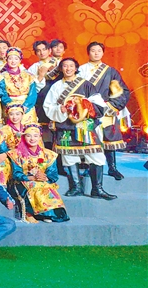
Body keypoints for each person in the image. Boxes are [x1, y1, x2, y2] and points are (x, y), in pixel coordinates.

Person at [42, 57, 116, 200]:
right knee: (69, 157)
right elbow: (48, 106)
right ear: (61, 69)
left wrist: (84, 106)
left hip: (85, 126)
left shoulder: (86, 85)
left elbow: (99, 104)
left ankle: (97, 189)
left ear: (76, 68)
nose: (68, 69)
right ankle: (76, 187)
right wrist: (60, 109)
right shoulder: (56, 86)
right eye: (65, 66)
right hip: (66, 126)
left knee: (96, 155)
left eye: (71, 66)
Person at [78, 41, 131, 180]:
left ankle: (112, 168)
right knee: (90, 139)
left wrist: (112, 105)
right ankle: (89, 167)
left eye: (99, 51)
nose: (96, 53)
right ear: (88, 53)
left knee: (109, 138)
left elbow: (120, 90)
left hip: (107, 109)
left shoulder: (110, 71)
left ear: (103, 53)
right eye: (93, 50)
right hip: (88, 110)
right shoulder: (81, 70)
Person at [7, 125, 69, 223]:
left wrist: (45, 177)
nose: (32, 139)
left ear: (40, 137)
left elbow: (53, 174)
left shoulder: (48, 154)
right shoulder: (16, 154)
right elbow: (16, 173)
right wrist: (31, 178)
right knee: (35, 186)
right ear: (24, 137)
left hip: (42, 181)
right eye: (28, 136)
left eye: (35, 136)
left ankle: (47, 214)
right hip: (22, 182)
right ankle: (30, 213)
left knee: (45, 187)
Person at [0, 47, 38, 124]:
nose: (13, 61)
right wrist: (11, 105)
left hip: (26, 108)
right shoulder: (1, 76)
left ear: (20, 60)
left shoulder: (28, 76)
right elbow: (2, 93)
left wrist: (25, 106)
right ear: (6, 59)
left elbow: (33, 94)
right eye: (10, 58)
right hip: (10, 108)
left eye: (16, 59)